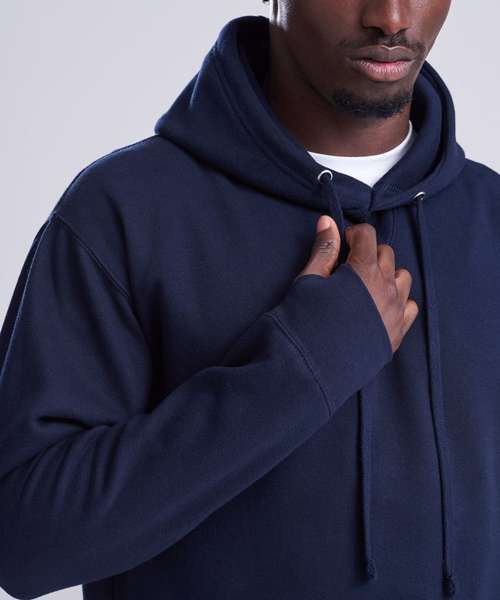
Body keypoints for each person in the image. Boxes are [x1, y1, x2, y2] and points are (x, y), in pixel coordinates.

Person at [0, 1, 499, 598]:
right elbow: (23, 546)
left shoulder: (491, 219)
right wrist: (302, 369)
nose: (390, 18)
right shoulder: (125, 212)